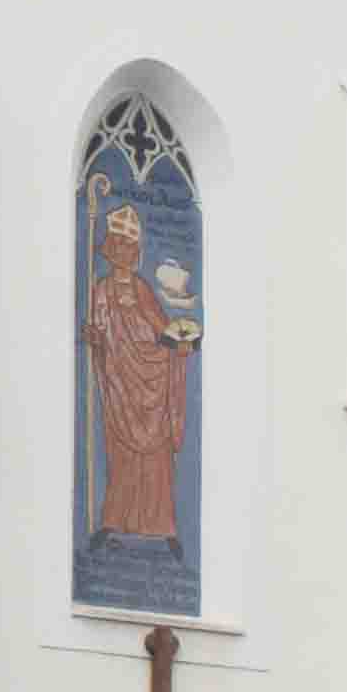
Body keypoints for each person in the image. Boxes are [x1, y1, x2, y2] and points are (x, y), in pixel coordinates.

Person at [84, 197, 198, 549]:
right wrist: (95, 338)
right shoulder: (99, 292)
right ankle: (113, 521)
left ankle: (164, 529)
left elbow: (160, 328)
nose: (125, 253)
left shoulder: (143, 289)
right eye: (119, 245)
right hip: (120, 385)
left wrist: (178, 344)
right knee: (121, 459)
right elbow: (101, 336)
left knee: (157, 459)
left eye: (130, 247)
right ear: (110, 249)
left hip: (151, 382)